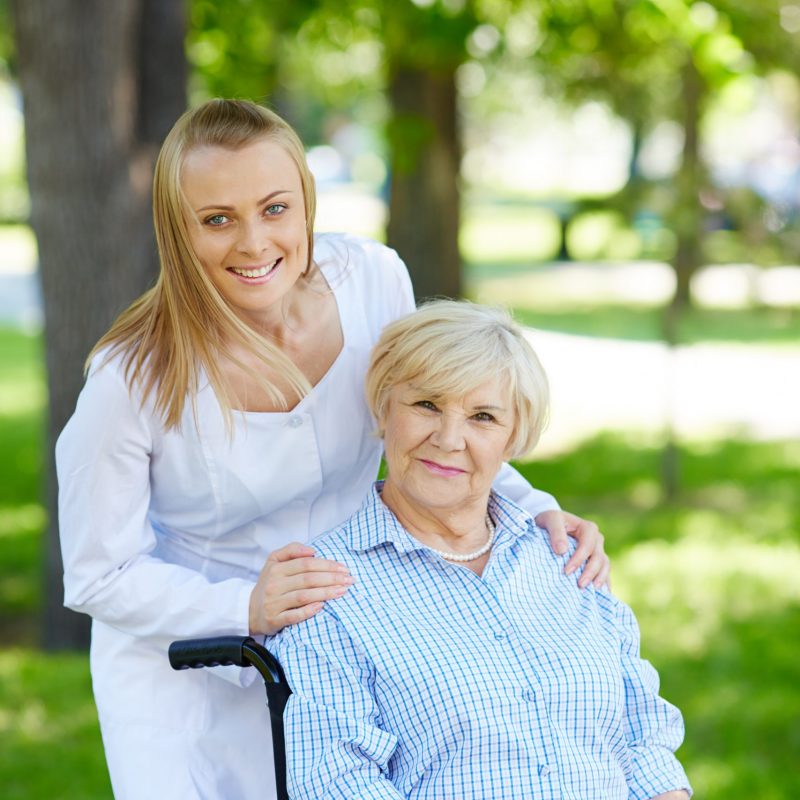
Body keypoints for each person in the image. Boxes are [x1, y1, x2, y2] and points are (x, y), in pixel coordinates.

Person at [55, 99, 609, 800]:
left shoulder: (373, 283)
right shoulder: (130, 380)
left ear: (306, 204)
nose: (254, 243)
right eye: (217, 219)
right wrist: (244, 608)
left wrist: (537, 511)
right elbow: (98, 575)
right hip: (190, 674)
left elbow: (436, 422)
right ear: (177, 231)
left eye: (276, 208)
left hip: (359, 635)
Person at [273, 300, 692, 800]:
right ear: (384, 407)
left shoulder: (567, 562)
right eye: (427, 405)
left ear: (513, 437)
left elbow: (644, 743)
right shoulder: (326, 591)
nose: (449, 439)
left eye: (483, 416)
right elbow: (335, 782)